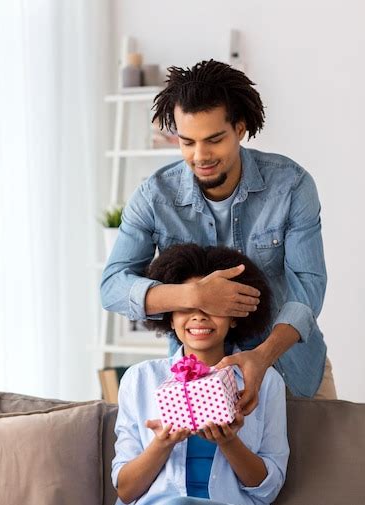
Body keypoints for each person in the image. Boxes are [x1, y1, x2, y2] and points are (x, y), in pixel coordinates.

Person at [101, 59, 337, 410]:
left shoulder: (291, 186)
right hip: (197, 380)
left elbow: (309, 286)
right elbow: (112, 287)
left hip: (292, 371)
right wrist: (193, 294)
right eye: (187, 142)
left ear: (239, 129)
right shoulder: (153, 197)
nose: (200, 156)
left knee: (322, 466)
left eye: (214, 140)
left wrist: (261, 356)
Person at [97, 244, 289, 505]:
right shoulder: (141, 381)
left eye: (214, 306)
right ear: (169, 317)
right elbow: (126, 489)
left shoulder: (262, 384)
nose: (199, 316)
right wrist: (162, 444)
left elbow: (268, 488)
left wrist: (229, 441)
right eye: (187, 306)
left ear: (235, 317)